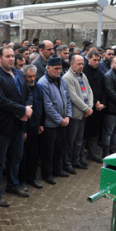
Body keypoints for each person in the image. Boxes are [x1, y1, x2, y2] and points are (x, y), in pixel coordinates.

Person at [0, 46, 33, 206]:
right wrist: (22, 110)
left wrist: (27, 109)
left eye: (12, 56)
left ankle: (13, 185)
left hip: (19, 124)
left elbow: (28, 93)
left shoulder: (19, 73)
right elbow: (0, 100)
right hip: (2, 127)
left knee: (16, 158)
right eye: (7, 56)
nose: (11, 59)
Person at [38, 55, 72, 184]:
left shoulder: (61, 80)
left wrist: (68, 116)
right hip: (50, 124)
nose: (58, 71)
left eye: (60, 68)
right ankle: (47, 174)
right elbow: (48, 106)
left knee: (59, 149)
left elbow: (67, 99)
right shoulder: (43, 83)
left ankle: (57, 169)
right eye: (56, 68)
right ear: (48, 68)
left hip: (63, 121)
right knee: (49, 151)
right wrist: (60, 120)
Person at [63, 55, 93, 172]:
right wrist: (86, 109)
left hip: (84, 113)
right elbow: (73, 97)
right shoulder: (67, 77)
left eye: (82, 64)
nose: (81, 66)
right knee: (70, 141)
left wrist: (89, 106)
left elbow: (89, 90)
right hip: (75, 115)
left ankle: (75, 161)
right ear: (72, 64)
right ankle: (67, 163)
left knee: (79, 140)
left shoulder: (83, 75)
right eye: (79, 64)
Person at [18, 64, 44, 190]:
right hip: (24, 127)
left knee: (34, 154)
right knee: (22, 155)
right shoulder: (21, 89)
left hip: (36, 125)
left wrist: (41, 124)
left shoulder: (39, 87)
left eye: (34, 76)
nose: (32, 79)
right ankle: (22, 180)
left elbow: (41, 106)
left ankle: (32, 177)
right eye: (29, 77)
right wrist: (23, 130)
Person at [83, 51, 106, 163]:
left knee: (95, 131)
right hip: (88, 106)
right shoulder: (84, 71)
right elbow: (87, 89)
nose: (97, 62)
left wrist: (103, 103)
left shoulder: (99, 71)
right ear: (88, 59)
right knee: (84, 132)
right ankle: (81, 154)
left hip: (99, 107)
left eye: (98, 60)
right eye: (94, 60)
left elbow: (103, 88)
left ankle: (93, 153)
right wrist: (95, 102)